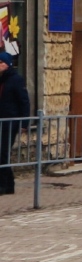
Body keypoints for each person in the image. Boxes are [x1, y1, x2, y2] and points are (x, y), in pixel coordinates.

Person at [0, 51, 30, 196]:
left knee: (3, 153)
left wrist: (24, 122)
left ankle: (3, 185)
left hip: (10, 123)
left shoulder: (15, 80)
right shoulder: (1, 80)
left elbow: (24, 101)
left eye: (1, 63)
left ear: (8, 64)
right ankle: (9, 185)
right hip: (1, 122)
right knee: (2, 154)